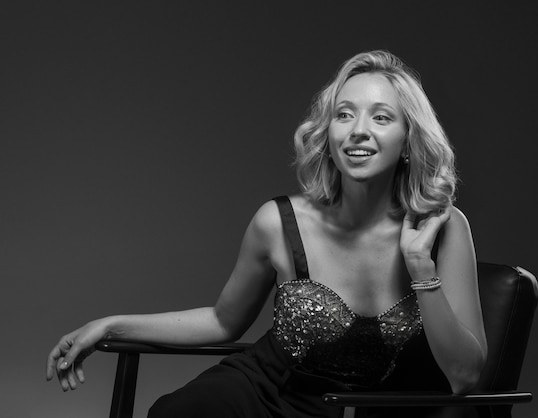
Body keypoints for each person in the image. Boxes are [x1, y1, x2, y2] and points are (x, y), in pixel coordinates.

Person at [46, 50, 487, 418]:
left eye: (382, 117)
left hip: (364, 409)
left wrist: (419, 267)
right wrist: (112, 325)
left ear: (409, 140)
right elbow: (223, 320)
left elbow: (465, 377)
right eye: (344, 115)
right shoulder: (278, 221)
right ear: (327, 134)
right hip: (262, 393)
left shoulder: (443, 228)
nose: (358, 131)